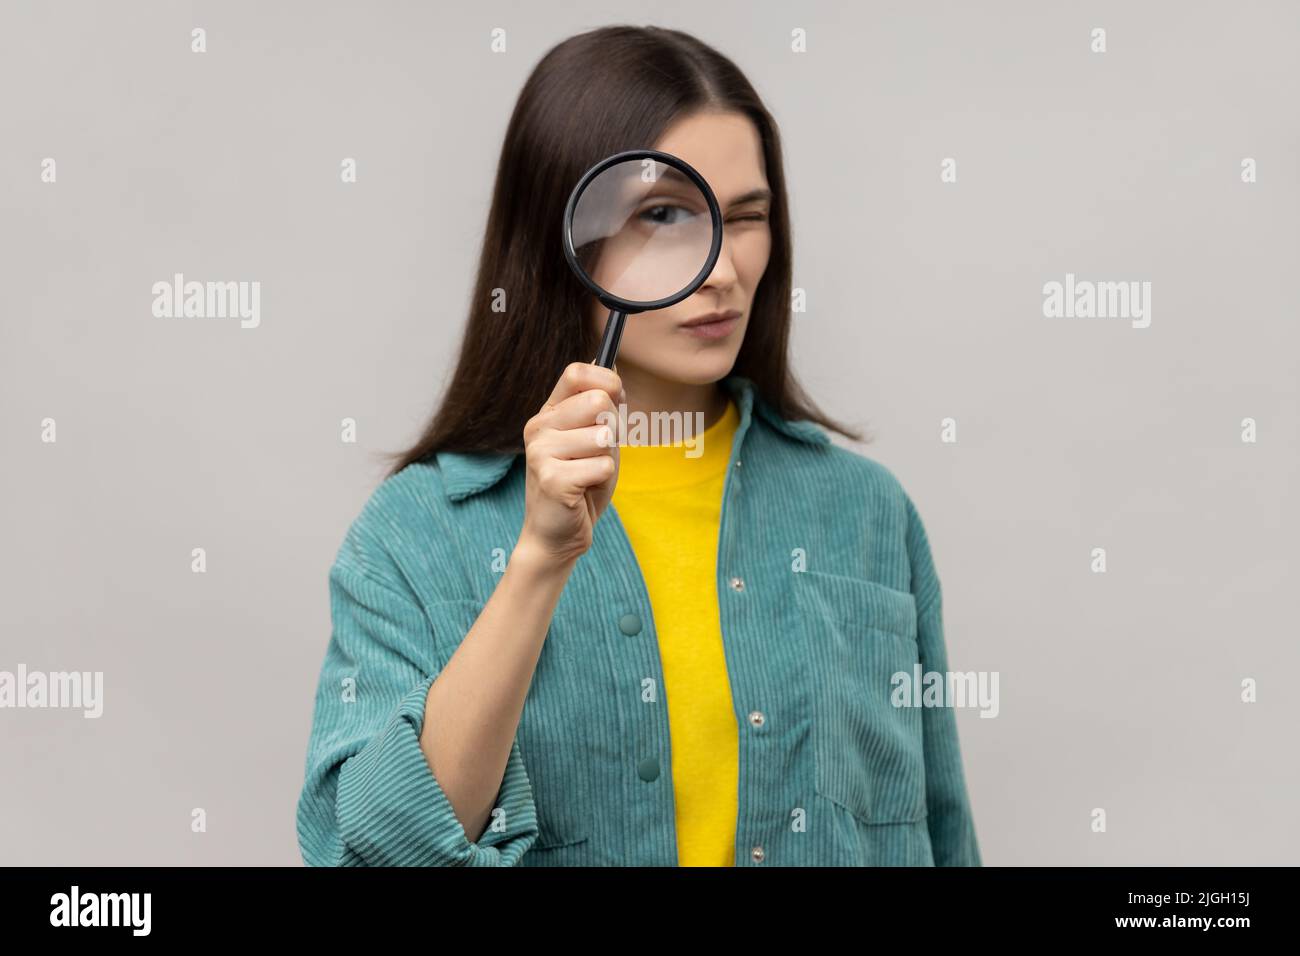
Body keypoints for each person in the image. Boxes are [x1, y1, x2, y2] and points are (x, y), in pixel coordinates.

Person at [296, 24, 981, 867]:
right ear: (566, 242)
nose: (724, 269)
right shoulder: (415, 535)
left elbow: (944, 835)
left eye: (748, 217)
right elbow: (367, 852)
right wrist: (539, 563)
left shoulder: (867, 512)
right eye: (664, 215)